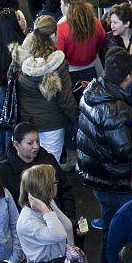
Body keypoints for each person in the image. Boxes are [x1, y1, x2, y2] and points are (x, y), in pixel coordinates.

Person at [74, 49, 132, 243]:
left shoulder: (91, 92)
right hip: (115, 181)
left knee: (110, 225)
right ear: (128, 77)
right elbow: (123, 151)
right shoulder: (114, 110)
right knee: (120, 231)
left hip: (96, 174)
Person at [13, 16, 80, 162]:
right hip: (52, 124)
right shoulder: (59, 63)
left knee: (30, 166)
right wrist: (78, 119)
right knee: (49, 167)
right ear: (52, 35)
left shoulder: (21, 58)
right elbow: (65, 99)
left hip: (28, 124)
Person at [14, 164, 77, 263]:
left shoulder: (49, 201)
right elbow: (60, 235)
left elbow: (67, 225)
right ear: (46, 188)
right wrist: (45, 210)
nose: (57, 185)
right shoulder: (28, 221)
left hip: (59, 258)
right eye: (55, 183)